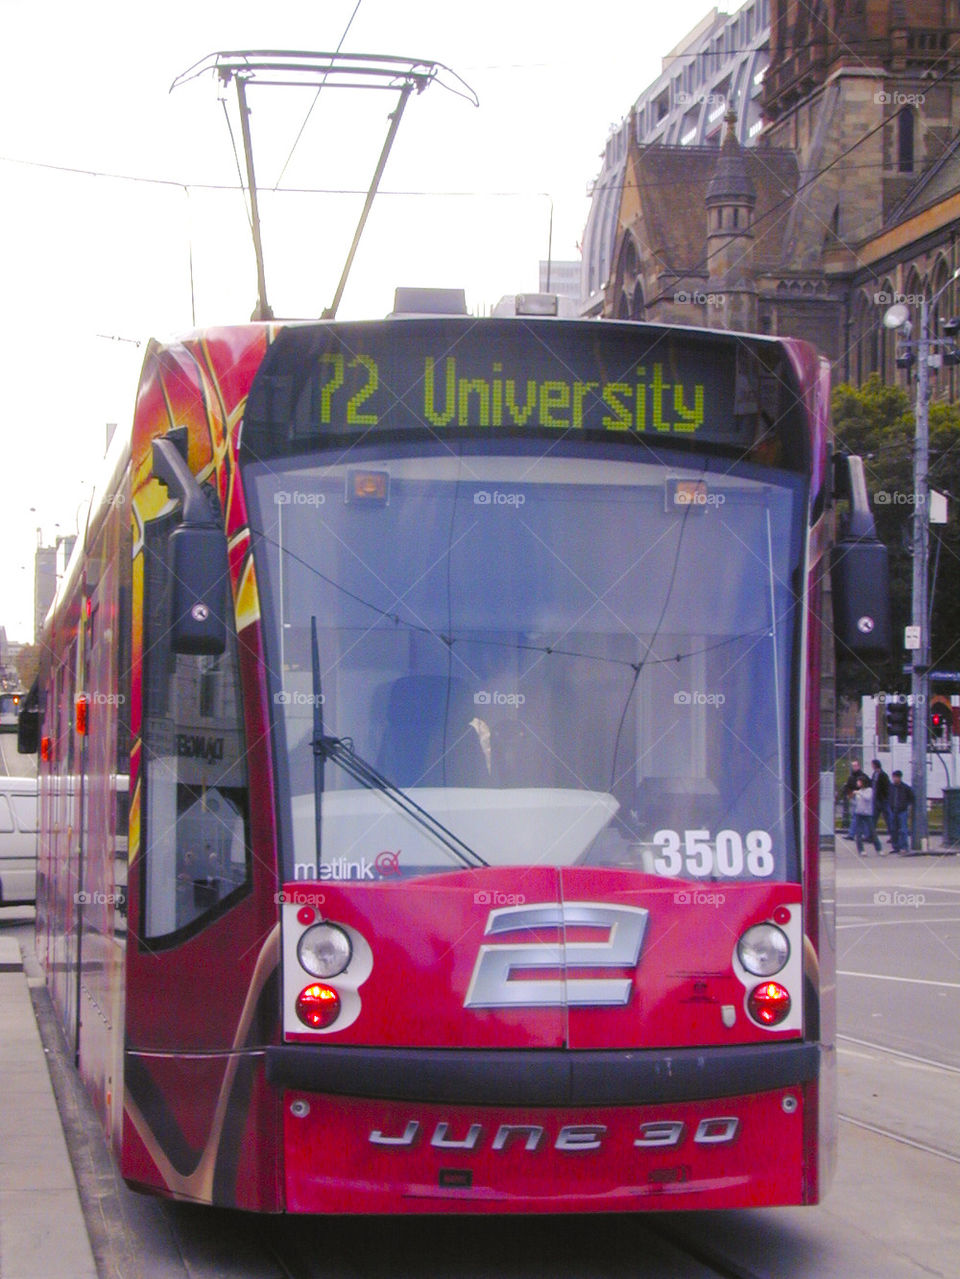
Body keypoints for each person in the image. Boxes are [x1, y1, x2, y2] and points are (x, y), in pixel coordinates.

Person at [888, 770, 914, 855]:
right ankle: (896, 847)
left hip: (902, 810)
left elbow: (911, 798)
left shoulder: (905, 787)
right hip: (893, 810)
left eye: (896, 777)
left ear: (900, 778)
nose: (894, 779)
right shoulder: (891, 787)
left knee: (903, 830)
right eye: (893, 777)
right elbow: (889, 797)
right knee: (893, 829)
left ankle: (904, 847)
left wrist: (907, 806)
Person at [851, 775, 875, 856]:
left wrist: (859, 793)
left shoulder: (869, 790)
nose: (857, 783)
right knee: (859, 832)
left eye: (859, 781)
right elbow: (857, 803)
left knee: (872, 830)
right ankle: (861, 850)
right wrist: (852, 799)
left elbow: (867, 798)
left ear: (862, 782)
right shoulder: (859, 791)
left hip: (867, 813)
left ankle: (879, 848)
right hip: (859, 813)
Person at [870, 758, 891, 852]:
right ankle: (871, 836)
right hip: (875, 800)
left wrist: (885, 798)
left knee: (888, 819)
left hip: (882, 800)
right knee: (873, 819)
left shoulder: (883, 775)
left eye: (872, 764)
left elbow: (887, 787)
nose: (871, 766)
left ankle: (893, 836)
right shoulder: (874, 774)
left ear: (875, 765)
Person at [841, 759, 864, 837]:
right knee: (857, 816)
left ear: (858, 766)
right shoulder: (853, 776)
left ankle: (852, 834)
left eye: (855, 766)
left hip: (857, 796)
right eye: (853, 766)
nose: (854, 767)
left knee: (856, 816)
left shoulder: (860, 776)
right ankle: (857, 833)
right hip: (854, 796)